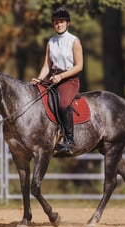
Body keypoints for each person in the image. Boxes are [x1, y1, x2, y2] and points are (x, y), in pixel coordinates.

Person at [31, 7, 83, 155]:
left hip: (69, 80)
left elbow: (79, 66)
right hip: (53, 78)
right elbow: (47, 65)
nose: (58, 25)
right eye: (56, 22)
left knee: (63, 103)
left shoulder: (74, 41)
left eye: (61, 22)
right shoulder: (51, 42)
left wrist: (62, 76)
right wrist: (39, 79)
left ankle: (69, 140)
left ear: (68, 23)